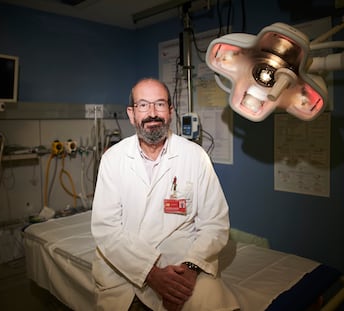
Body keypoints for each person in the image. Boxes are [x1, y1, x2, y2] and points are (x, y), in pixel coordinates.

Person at [91, 78, 239, 311]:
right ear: (131, 114)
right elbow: (106, 229)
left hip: (183, 266)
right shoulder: (113, 159)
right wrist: (152, 274)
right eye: (143, 105)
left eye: (160, 104)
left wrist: (190, 271)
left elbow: (215, 223)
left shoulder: (195, 156)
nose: (152, 113)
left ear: (170, 111)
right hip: (124, 269)